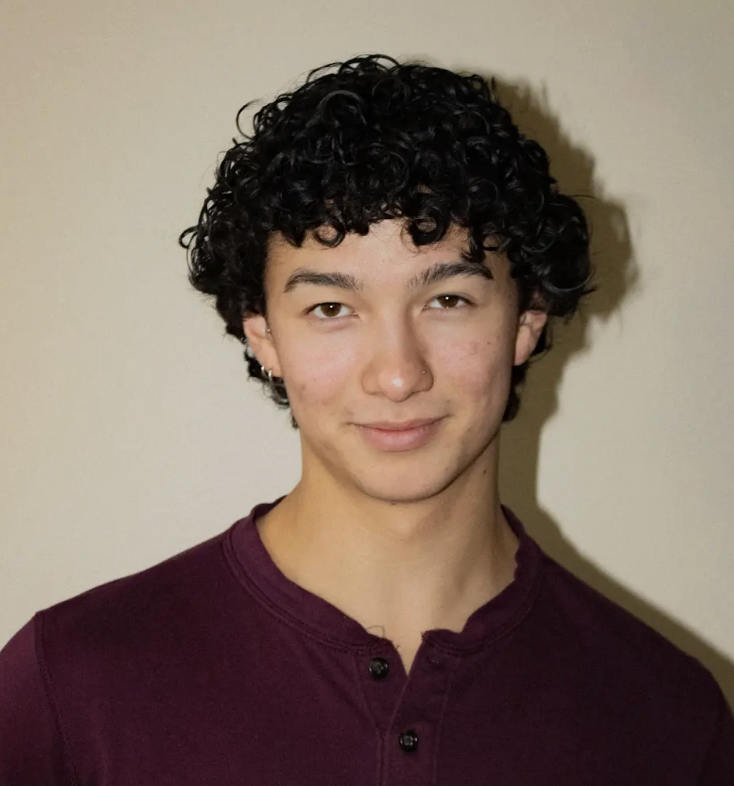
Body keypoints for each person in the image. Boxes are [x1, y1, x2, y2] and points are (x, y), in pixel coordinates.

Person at [1, 54, 732, 784]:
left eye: (447, 300)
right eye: (331, 308)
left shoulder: (669, 717)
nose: (396, 373)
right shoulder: (69, 685)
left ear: (526, 322)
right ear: (264, 338)